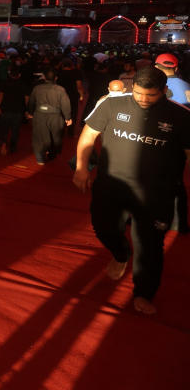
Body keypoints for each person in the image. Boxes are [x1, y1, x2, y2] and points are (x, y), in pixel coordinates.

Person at [73, 67, 190, 315]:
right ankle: (120, 252)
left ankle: (144, 292)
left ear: (164, 91)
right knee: (103, 227)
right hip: (111, 185)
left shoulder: (181, 117)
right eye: (138, 93)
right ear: (131, 87)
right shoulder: (111, 105)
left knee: (149, 246)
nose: (143, 99)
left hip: (157, 194)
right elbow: (88, 136)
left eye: (151, 95)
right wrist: (82, 168)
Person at [153, 53, 190, 233]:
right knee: (176, 184)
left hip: (152, 141)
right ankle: (179, 223)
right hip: (178, 144)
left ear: (156, 67)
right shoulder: (187, 87)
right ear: (175, 68)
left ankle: (138, 215)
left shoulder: (152, 86)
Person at [27, 68, 72, 165]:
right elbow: (66, 104)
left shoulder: (37, 88)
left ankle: (40, 158)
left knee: (39, 137)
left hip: (39, 114)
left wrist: (30, 113)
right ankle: (52, 153)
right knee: (55, 136)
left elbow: (31, 102)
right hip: (55, 116)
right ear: (56, 78)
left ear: (44, 78)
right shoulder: (60, 89)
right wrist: (67, 117)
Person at [0, 65, 29, 156]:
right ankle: (13, 147)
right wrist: (27, 110)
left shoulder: (5, 83)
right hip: (18, 111)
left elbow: (0, 95)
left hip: (5, 109)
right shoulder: (23, 84)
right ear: (19, 75)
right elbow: (26, 98)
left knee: (4, 129)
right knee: (15, 130)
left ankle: (4, 143)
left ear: (10, 74)